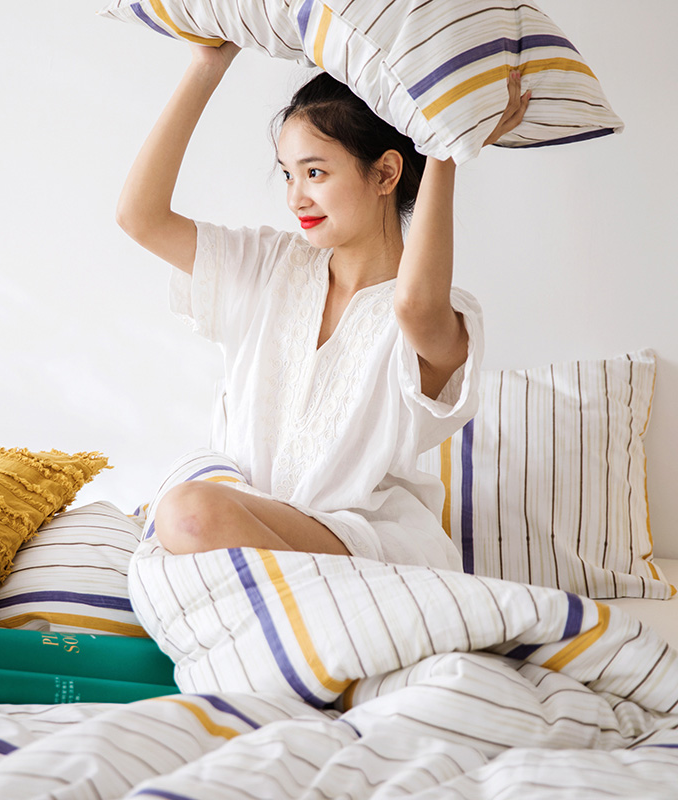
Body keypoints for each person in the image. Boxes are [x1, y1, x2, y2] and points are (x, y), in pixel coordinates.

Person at [117, 42, 530, 568]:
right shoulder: (266, 264)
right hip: (234, 530)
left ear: (385, 174)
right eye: (288, 174)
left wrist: (444, 152)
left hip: (368, 553)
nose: (296, 198)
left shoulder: (436, 315)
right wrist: (207, 65)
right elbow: (140, 216)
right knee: (187, 512)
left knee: (187, 513)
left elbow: (413, 304)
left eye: (315, 173)